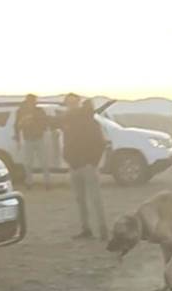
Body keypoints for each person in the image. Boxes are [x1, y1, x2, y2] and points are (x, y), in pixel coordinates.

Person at [59, 94, 109, 240]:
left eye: (72, 103)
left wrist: (92, 162)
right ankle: (86, 229)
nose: (70, 106)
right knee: (81, 200)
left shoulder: (89, 121)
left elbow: (100, 143)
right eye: (69, 104)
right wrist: (69, 159)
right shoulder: (70, 121)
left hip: (87, 166)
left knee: (95, 199)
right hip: (75, 165)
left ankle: (102, 230)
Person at [14, 94, 51, 189]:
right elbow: (17, 126)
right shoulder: (21, 112)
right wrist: (18, 138)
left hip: (38, 138)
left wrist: (36, 121)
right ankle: (30, 182)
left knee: (43, 162)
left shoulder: (39, 111)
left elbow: (45, 122)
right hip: (29, 139)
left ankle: (46, 183)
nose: (33, 102)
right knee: (29, 163)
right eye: (32, 100)